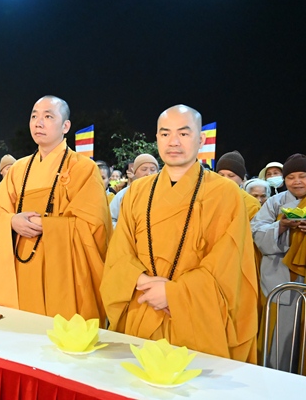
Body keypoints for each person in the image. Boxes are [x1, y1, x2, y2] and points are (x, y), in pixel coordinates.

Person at [100, 104, 258, 363]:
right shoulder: (137, 191)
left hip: (195, 322)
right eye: (165, 134)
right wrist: (141, 281)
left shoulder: (226, 194)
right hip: (142, 305)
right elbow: (120, 251)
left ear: (201, 140)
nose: (173, 141)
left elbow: (228, 264)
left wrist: (174, 294)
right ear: (157, 138)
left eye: (183, 133)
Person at [0, 95, 112, 320]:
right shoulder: (18, 169)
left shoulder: (83, 168)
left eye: (48, 116)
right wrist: (12, 221)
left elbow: (94, 226)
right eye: (34, 116)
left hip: (63, 272)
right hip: (21, 265)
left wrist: (47, 225)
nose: (38, 123)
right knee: (20, 329)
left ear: (65, 126)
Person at [251, 153, 306, 371]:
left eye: (302, 176)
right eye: (291, 177)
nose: (297, 181)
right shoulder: (275, 202)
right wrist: (281, 226)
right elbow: (256, 231)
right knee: (279, 340)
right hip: (281, 281)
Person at [109, 154, 159, 228]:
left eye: (153, 170)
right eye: (144, 169)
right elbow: (110, 220)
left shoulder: (163, 193)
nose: (149, 173)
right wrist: (126, 230)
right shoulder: (123, 194)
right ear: (135, 172)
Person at [216, 150, 261, 220]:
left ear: (242, 179)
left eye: (231, 176)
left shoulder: (252, 204)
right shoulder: (209, 197)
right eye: (221, 175)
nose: (225, 179)